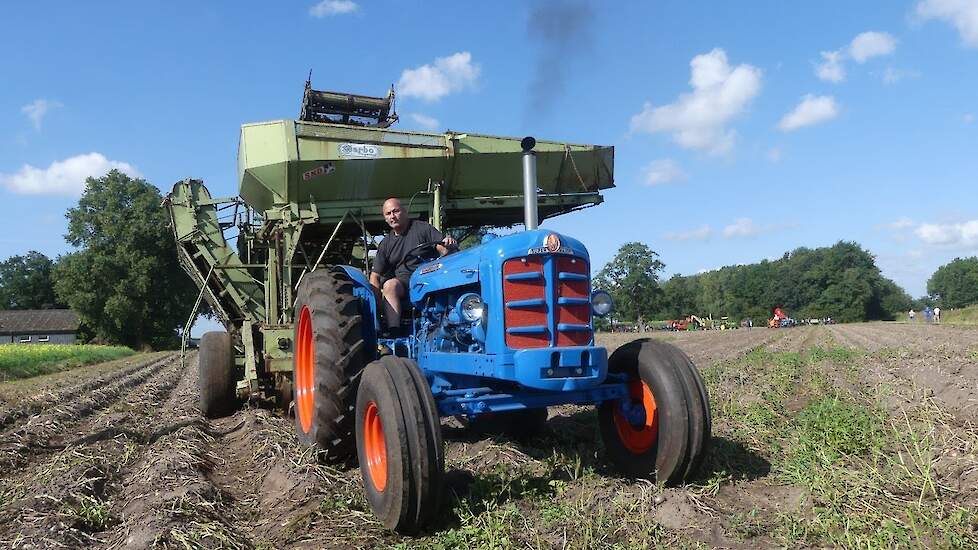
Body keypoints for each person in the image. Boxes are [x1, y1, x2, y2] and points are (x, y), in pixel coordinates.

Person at [369, 198, 456, 333]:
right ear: (385, 218)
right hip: (403, 282)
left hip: (427, 276)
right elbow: (374, 276)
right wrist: (377, 304)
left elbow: (442, 248)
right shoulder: (386, 243)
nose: (392, 216)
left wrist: (448, 245)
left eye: (395, 211)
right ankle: (394, 331)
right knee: (389, 285)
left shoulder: (422, 228)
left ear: (404, 211)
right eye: (388, 214)